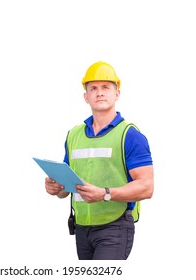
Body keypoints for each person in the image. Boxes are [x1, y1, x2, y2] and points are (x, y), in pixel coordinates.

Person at [45, 61, 154, 260]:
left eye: (106, 87)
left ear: (117, 93)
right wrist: (57, 188)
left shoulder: (130, 135)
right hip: (82, 227)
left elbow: (146, 187)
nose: (100, 93)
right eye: (93, 88)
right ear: (86, 96)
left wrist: (104, 194)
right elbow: (67, 187)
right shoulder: (74, 135)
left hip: (115, 226)